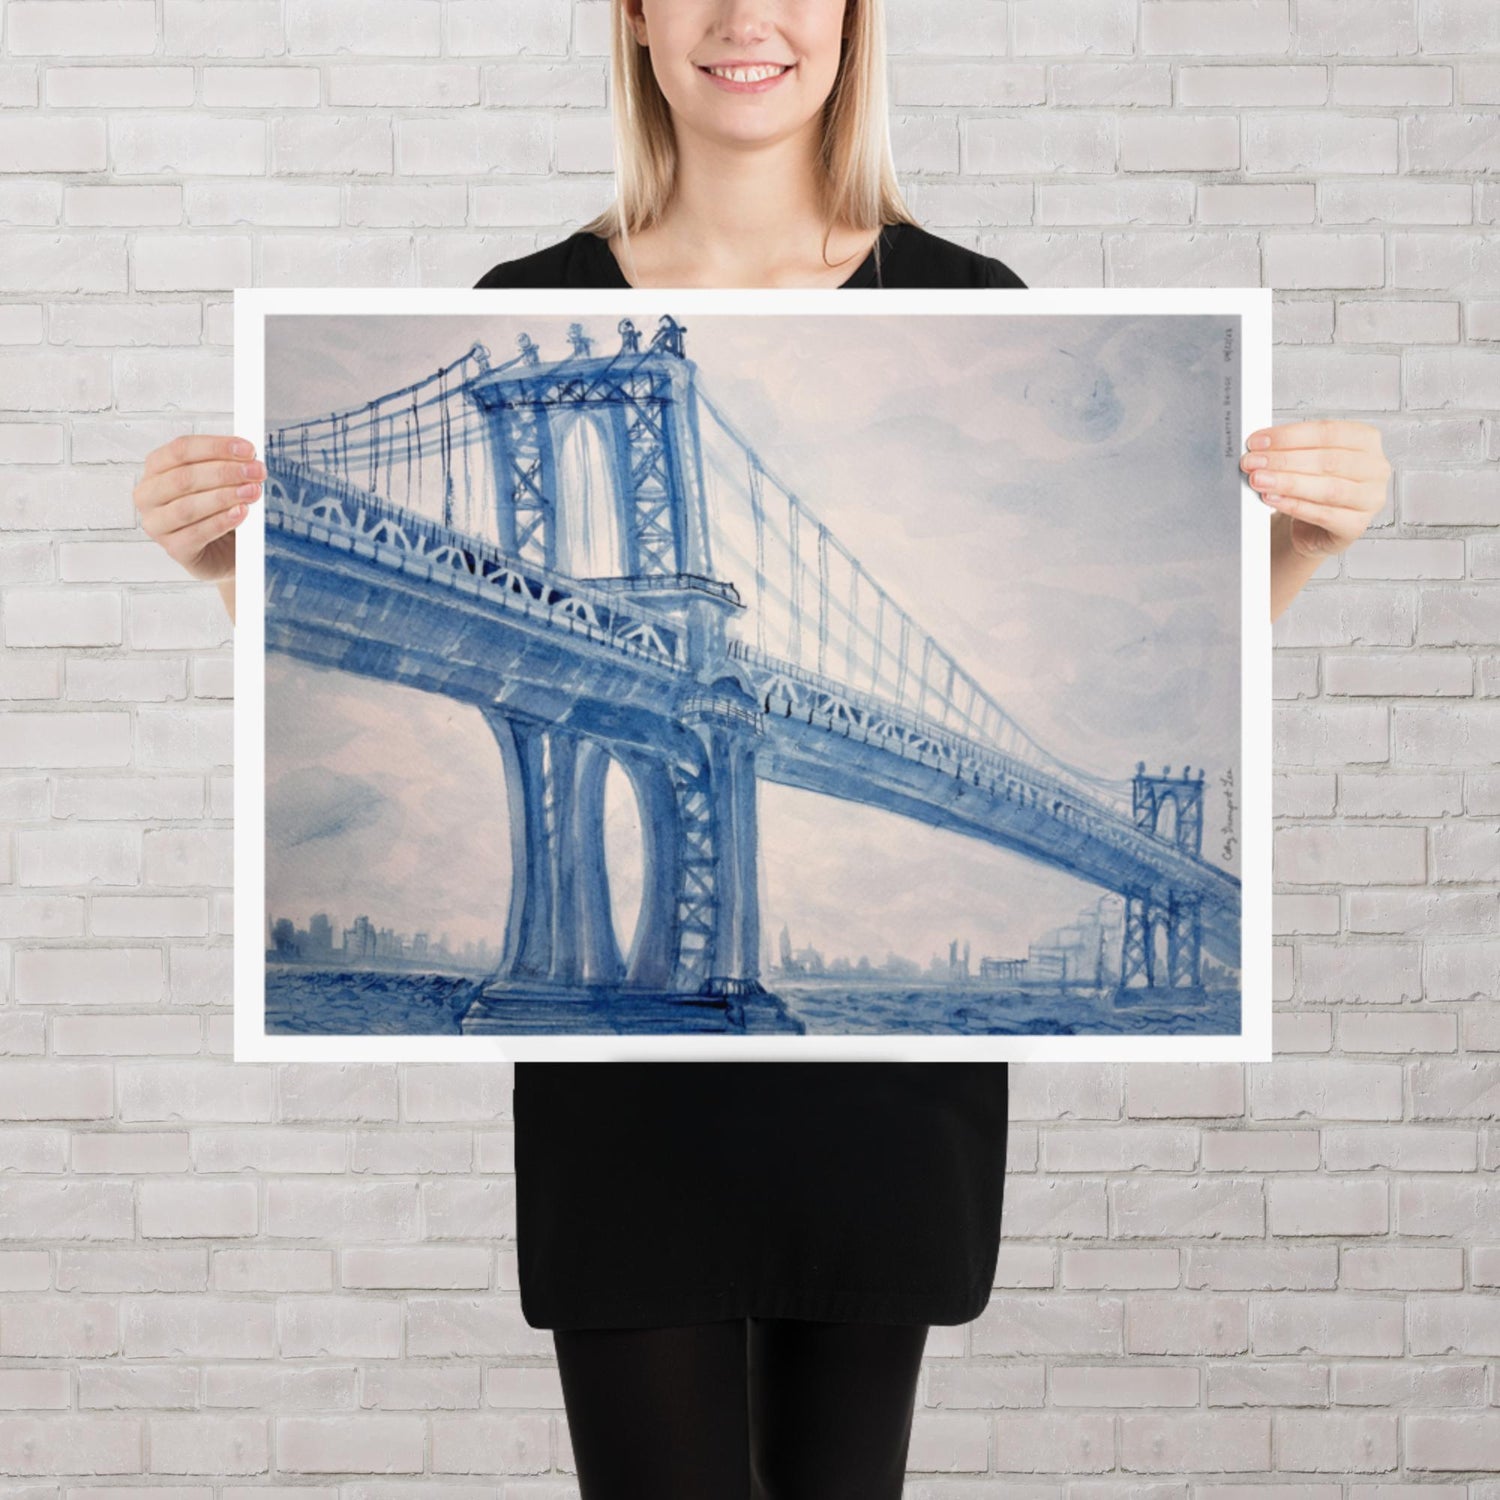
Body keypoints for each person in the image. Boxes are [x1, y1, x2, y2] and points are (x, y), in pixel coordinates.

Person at [132, 1, 1392, 1494]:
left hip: (879, 1122)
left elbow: (1203, 675)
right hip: (625, 1128)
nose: (747, 17)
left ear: (854, 19)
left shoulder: (968, 294)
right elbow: (337, 666)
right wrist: (230, 567)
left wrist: (1300, 550)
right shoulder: (520, 298)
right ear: (635, 17)